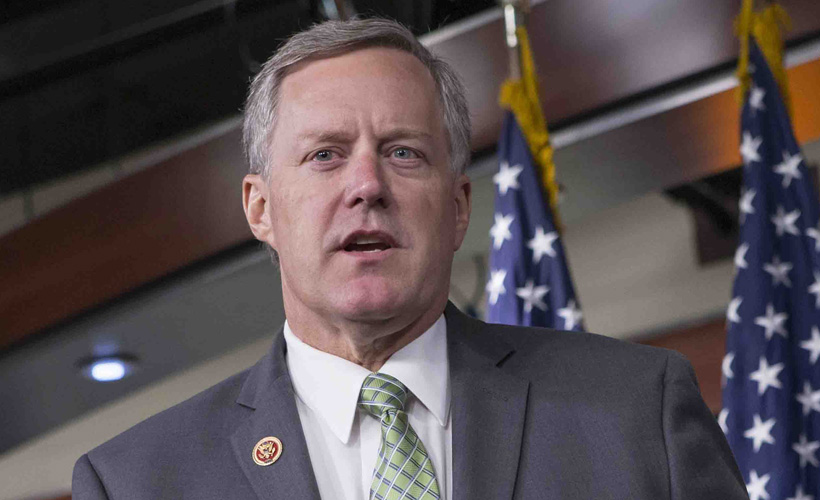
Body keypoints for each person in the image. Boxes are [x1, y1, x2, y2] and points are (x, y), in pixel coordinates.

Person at [73, 18, 747, 500]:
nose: (367, 185)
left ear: (458, 207)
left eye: (403, 152)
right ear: (260, 208)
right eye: (325, 155)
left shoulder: (638, 413)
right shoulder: (135, 482)